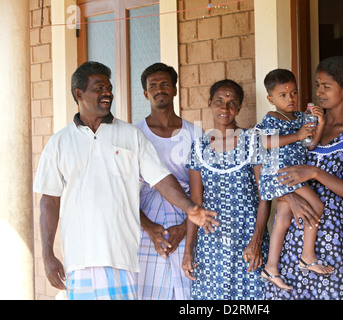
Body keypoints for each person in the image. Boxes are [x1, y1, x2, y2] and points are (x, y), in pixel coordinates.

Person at [33, 61, 219, 300]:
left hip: (122, 257)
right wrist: (47, 255)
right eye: (99, 87)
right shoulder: (59, 143)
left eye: (109, 88)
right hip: (79, 258)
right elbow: (49, 201)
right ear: (78, 94)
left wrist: (190, 209)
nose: (107, 93)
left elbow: (161, 179)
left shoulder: (131, 135)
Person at [264, 56, 343, 300]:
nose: (319, 92)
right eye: (318, 85)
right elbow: (271, 162)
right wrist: (290, 198)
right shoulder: (304, 124)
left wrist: (315, 172)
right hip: (291, 231)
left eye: (326, 86)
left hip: (329, 233)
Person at [181, 79, 270, 300]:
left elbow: (265, 196)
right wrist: (189, 250)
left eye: (232, 103)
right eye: (219, 101)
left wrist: (256, 240)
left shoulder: (252, 141)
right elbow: (195, 202)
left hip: (248, 239)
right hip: (212, 242)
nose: (225, 108)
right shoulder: (199, 147)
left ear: (239, 107)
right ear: (210, 103)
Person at [256, 69, 334, 291]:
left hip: (294, 174)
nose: (290, 99)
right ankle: (307, 256)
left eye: (294, 93)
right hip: (282, 174)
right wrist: (296, 136)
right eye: (282, 95)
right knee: (317, 205)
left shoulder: (301, 117)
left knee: (283, 219)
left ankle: (271, 268)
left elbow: (310, 144)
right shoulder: (271, 119)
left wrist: (319, 122)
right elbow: (265, 142)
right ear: (271, 99)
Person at [135, 63, 202, 300]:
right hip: (145, 219)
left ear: (174, 90)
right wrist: (150, 229)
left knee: (187, 287)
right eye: (153, 86)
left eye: (165, 84)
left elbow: (203, 187)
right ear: (145, 93)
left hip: (189, 217)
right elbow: (125, 192)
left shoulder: (195, 134)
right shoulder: (135, 134)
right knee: (148, 289)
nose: (159, 89)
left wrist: (186, 226)